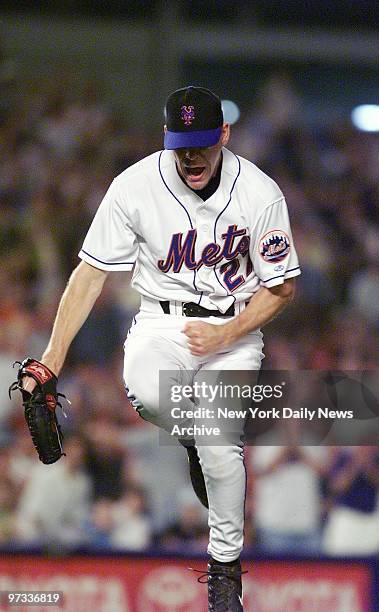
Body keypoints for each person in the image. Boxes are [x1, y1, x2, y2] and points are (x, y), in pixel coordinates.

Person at [23, 86, 300, 611]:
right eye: (180, 143)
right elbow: (90, 274)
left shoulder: (261, 194)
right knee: (152, 395)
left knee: (221, 447)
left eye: (201, 141)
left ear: (224, 135)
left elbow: (281, 287)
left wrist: (228, 332)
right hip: (161, 324)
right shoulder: (135, 186)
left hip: (234, 332)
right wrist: (52, 356)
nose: (190, 155)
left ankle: (224, 573)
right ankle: (192, 440)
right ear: (166, 139)